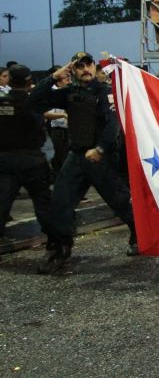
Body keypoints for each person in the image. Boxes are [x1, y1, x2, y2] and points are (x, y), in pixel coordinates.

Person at [30, 53, 138, 257]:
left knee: (120, 202)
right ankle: (61, 246)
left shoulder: (105, 91)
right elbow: (35, 101)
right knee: (60, 202)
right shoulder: (69, 93)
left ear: (94, 66)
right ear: (73, 70)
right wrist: (54, 77)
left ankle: (138, 234)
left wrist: (100, 149)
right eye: (79, 66)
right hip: (77, 156)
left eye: (89, 64)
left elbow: (112, 124)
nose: (85, 68)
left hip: (101, 157)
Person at [0, 65, 64, 271]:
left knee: (2, 204)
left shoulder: (2, 103)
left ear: (9, 80)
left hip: (6, 159)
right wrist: (52, 79)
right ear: (29, 81)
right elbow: (42, 96)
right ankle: (57, 247)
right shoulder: (32, 103)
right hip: (32, 159)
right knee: (43, 207)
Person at [44, 67, 71, 175]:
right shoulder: (51, 92)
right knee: (60, 154)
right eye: (65, 77)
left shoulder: (70, 90)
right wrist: (64, 115)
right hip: (57, 129)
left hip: (70, 128)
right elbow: (47, 113)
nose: (68, 79)